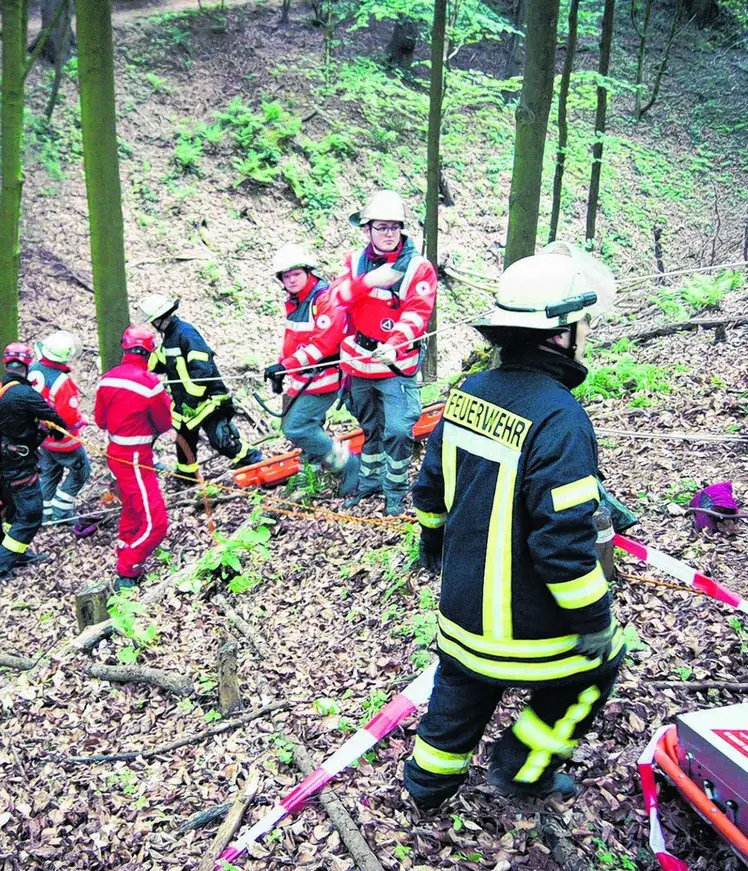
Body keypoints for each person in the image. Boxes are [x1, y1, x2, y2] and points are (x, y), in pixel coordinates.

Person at [403, 243, 626, 809]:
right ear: (559, 335)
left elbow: (429, 489)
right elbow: (562, 545)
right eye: (582, 325)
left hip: (460, 614)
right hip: (526, 627)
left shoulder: (468, 394)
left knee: (460, 689)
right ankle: (524, 768)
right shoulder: (561, 418)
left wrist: (434, 538)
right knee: (599, 666)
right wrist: (594, 617)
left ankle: (428, 785)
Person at [330, 190, 438, 516]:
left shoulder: (417, 267)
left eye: (394, 227)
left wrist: (393, 343)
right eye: (381, 227)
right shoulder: (355, 261)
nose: (389, 233)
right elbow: (336, 298)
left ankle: (395, 492)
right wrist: (366, 282)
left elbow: (417, 313)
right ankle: (369, 482)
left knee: (399, 431)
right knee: (368, 426)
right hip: (358, 363)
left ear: (402, 229)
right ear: (368, 230)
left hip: (395, 366)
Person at [142, 293, 261, 483]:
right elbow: (160, 363)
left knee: (221, 440)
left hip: (208, 400)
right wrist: (142, 358)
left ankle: (255, 460)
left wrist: (191, 399)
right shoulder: (169, 338)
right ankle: (187, 477)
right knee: (185, 445)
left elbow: (202, 368)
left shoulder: (186, 334)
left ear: (160, 319)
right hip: (186, 407)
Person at [94, 324, 175, 591]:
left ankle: (124, 551)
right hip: (136, 457)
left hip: (115, 453)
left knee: (132, 507)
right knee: (156, 523)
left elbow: (100, 420)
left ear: (125, 347)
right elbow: (164, 423)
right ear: (150, 352)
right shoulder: (151, 385)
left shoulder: (107, 379)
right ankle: (127, 569)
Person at [0, 342, 71, 582]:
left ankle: (17, 553)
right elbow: (55, 418)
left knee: (14, 513)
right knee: (31, 515)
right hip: (18, 469)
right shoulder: (24, 394)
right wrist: (53, 432)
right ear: (27, 364)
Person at [263, 242, 352, 479]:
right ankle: (310, 479)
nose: (291, 280)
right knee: (310, 427)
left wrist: (286, 366)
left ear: (308, 271)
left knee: (296, 427)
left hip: (325, 378)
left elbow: (323, 343)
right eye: (286, 276)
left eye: (296, 274)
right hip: (304, 378)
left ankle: (346, 462)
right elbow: (293, 341)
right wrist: (282, 370)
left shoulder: (323, 299)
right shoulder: (297, 301)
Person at [28, 330, 93, 525]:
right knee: (82, 471)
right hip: (63, 440)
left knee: (49, 473)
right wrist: (81, 420)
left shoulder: (32, 370)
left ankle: (45, 514)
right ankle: (61, 510)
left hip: (42, 437)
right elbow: (69, 418)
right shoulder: (62, 382)